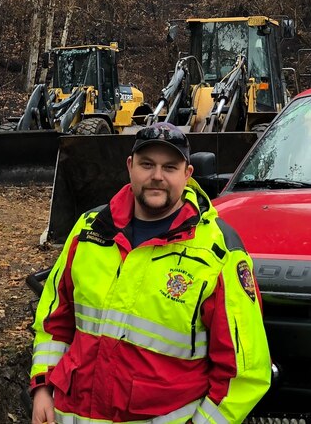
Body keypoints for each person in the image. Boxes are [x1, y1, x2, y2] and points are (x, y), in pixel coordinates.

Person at [30, 122, 271, 424]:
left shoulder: (218, 252)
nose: (157, 176)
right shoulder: (90, 230)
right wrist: (42, 387)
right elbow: (55, 320)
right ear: (130, 167)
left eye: (170, 167)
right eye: (147, 164)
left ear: (187, 174)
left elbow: (244, 373)